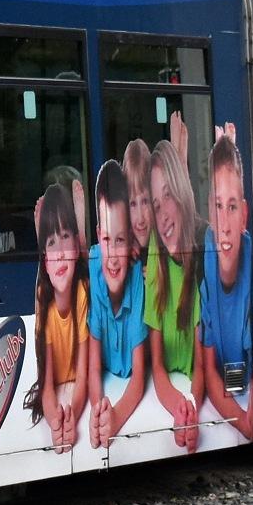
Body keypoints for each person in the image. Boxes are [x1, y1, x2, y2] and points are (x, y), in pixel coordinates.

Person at [143, 114, 205, 452]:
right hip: (174, 394)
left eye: (169, 195)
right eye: (156, 203)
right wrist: (179, 409)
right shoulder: (157, 269)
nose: (163, 212)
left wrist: (192, 405)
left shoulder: (199, 268)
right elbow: (158, 369)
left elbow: (202, 366)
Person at [197, 124, 253, 443]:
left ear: (243, 216)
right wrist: (244, 423)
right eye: (218, 206)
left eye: (232, 207)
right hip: (228, 402)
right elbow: (209, 373)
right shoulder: (204, 253)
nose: (224, 225)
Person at [87, 161, 149, 449]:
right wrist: (98, 412)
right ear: (99, 236)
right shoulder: (93, 266)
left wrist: (116, 417)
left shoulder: (136, 276)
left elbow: (139, 375)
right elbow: (92, 368)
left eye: (121, 240)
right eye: (108, 240)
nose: (112, 256)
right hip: (107, 382)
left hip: (126, 387)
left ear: (132, 243)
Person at [25, 178, 87, 450]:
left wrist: (71, 413)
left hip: (75, 381)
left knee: (83, 276)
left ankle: (81, 238)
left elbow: (84, 376)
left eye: (65, 238)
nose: (61, 253)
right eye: (52, 242)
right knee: (46, 288)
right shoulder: (46, 308)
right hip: (48, 282)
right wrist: (54, 420)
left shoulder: (83, 294)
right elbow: (46, 385)